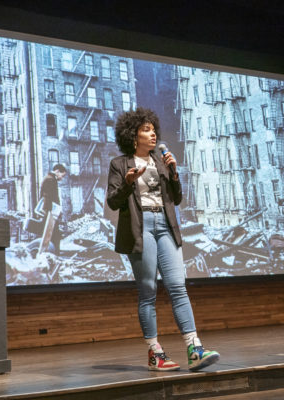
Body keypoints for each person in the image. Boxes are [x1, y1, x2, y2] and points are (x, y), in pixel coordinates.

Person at [106, 107, 219, 372]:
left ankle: (194, 348)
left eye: (153, 129)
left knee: (178, 286)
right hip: (140, 226)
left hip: (165, 225)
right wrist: (128, 182)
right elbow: (113, 202)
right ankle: (155, 353)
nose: (153, 133)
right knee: (148, 292)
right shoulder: (120, 164)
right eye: (146, 129)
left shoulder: (161, 160)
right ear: (133, 135)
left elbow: (176, 199)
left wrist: (174, 172)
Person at [39, 163, 66, 254]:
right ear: (57, 171)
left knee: (53, 233)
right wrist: (52, 212)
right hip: (50, 211)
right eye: (63, 175)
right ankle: (54, 252)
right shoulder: (50, 180)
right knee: (54, 234)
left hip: (49, 211)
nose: (62, 178)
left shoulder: (49, 178)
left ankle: (53, 252)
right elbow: (48, 197)